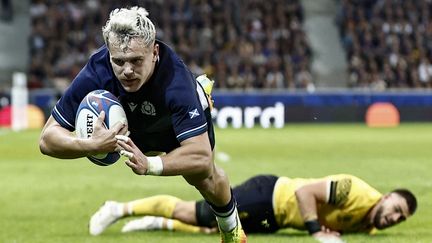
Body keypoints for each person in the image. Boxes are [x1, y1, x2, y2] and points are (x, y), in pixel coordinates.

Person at [38, 6, 246, 243]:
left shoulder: (176, 81)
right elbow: (47, 139)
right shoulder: (96, 70)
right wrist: (89, 145)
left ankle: (232, 231)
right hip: (132, 129)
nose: (127, 70)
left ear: (154, 52)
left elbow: (201, 156)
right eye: (119, 61)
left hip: (169, 128)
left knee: (202, 176)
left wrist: (150, 164)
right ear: (109, 55)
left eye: (136, 61)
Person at [88, 174, 417, 243]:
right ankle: (118, 208)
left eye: (400, 218)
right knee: (197, 213)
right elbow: (304, 193)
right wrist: (318, 234)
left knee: (212, 229)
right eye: (396, 208)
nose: (395, 218)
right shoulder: (354, 190)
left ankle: (151, 224)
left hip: (275, 220)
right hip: (269, 197)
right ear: (386, 196)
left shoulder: (370, 225)